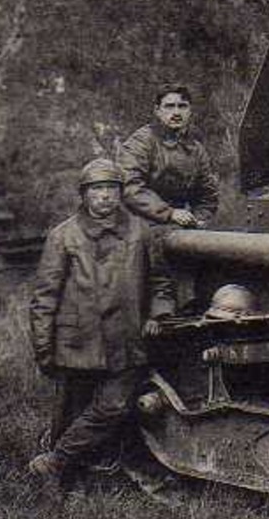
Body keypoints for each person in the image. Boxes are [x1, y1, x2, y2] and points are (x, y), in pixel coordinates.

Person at [27, 158, 175, 490]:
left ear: (120, 193)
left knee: (115, 406)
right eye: (97, 189)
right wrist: (43, 349)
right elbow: (45, 298)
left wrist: (158, 314)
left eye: (111, 188)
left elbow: (162, 283)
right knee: (71, 413)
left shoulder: (142, 231)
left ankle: (55, 461)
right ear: (84, 194)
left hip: (126, 339)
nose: (105, 196)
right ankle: (67, 483)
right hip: (78, 341)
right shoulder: (63, 236)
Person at [116, 81, 221, 311]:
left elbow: (208, 195)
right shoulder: (141, 142)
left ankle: (202, 305)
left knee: (210, 245)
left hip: (180, 218)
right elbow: (131, 187)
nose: (176, 113)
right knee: (156, 241)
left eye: (182, 106)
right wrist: (170, 213)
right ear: (157, 110)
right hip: (139, 215)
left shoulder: (195, 149)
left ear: (190, 111)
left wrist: (201, 218)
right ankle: (160, 304)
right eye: (169, 106)